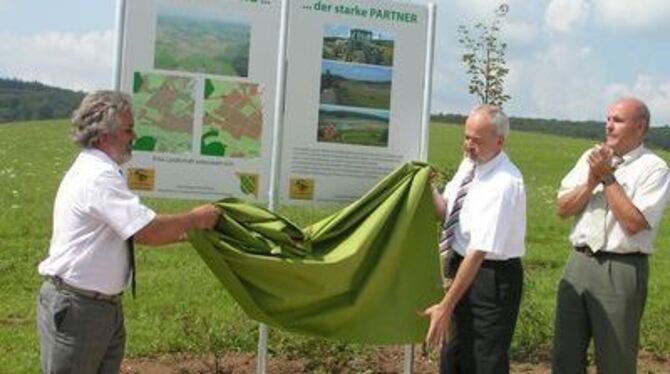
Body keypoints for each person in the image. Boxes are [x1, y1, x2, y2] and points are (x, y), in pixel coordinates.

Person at [36, 90, 221, 373]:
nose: (133, 136)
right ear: (104, 134)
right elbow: (147, 231)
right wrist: (195, 219)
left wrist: (191, 233)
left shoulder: (98, 170)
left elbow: (130, 231)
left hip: (98, 307)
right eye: (128, 129)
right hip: (80, 310)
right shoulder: (98, 177)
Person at [552, 97, 670, 373]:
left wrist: (607, 179)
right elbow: (562, 208)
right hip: (579, 262)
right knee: (565, 356)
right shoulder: (590, 158)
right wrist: (591, 180)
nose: (609, 126)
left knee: (615, 358)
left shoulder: (653, 168)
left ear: (640, 127)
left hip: (620, 268)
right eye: (607, 119)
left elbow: (633, 222)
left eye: (617, 120)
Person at [421, 104, 526, 374]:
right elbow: (447, 211)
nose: (468, 145)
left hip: (489, 279)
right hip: (461, 267)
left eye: (476, 140)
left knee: (482, 359)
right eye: (467, 137)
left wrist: (445, 306)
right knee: (453, 355)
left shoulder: (503, 184)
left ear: (499, 141)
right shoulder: (470, 165)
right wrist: (424, 185)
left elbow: (478, 252)